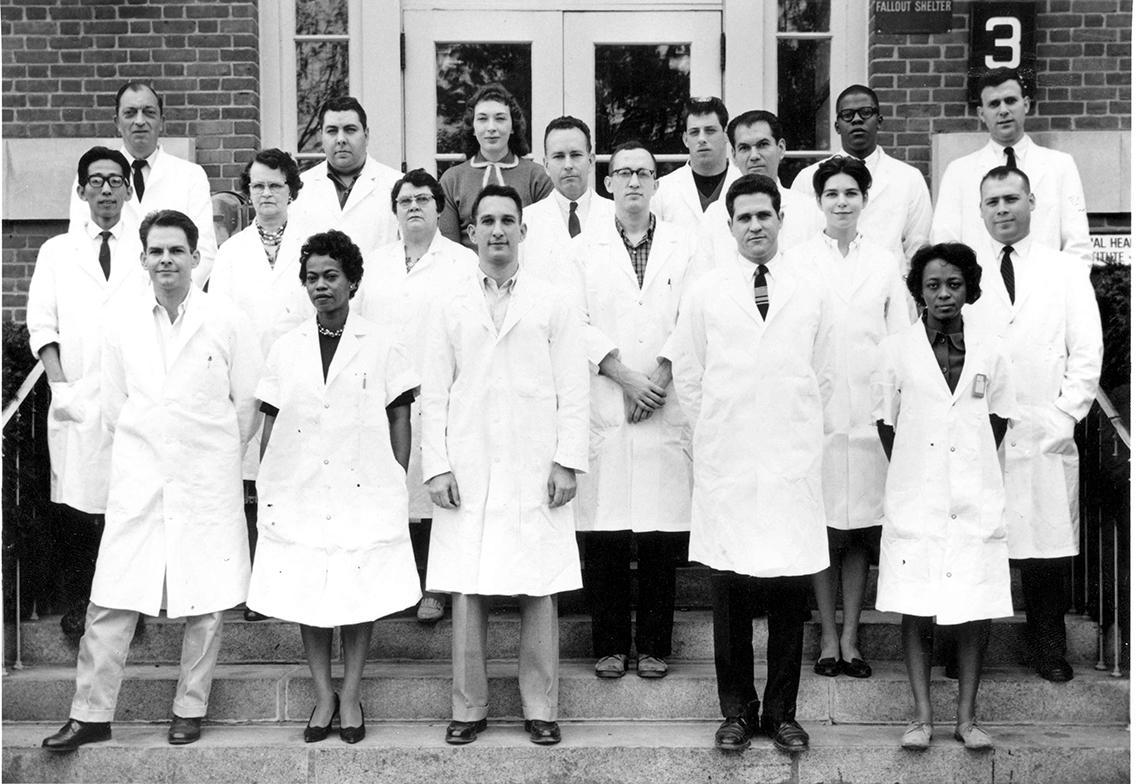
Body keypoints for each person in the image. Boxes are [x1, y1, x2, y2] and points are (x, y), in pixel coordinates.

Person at [41, 210, 262, 752]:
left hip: (206, 474)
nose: (166, 260)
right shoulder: (120, 321)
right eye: (157, 251)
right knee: (112, 594)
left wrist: (207, 453)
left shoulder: (227, 319)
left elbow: (248, 402)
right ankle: (91, 713)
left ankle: (191, 707)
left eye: (176, 251)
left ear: (195, 258)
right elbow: (115, 407)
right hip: (141, 474)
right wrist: (154, 448)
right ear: (142, 259)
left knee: (205, 597)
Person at [665, 174, 834, 754]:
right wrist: (719, 428)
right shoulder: (707, 292)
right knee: (730, 593)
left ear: (781, 219)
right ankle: (737, 711)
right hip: (729, 461)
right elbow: (688, 372)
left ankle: (783, 712)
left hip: (789, 460)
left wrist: (795, 431)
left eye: (765, 215)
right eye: (744, 218)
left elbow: (827, 373)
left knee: (789, 592)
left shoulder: (810, 288)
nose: (756, 226)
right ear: (730, 225)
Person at [421, 184, 588, 747]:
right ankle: (468, 707)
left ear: (524, 229)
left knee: (538, 586)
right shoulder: (449, 303)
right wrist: (437, 466)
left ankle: (540, 706)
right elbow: (435, 393)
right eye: (486, 220)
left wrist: (566, 461)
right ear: (470, 232)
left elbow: (573, 388)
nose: (497, 230)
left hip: (534, 463)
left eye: (507, 220)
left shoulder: (553, 299)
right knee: (468, 589)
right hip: (468, 463)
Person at [246, 230, 421, 744]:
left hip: (363, 486)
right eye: (311, 278)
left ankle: (350, 694)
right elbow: (272, 422)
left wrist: (395, 477)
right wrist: (268, 485)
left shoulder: (383, 343)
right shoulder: (287, 347)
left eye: (330, 276)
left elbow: (400, 417)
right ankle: (323, 695)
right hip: (300, 487)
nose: (321, 286)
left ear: (352, 281)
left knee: (356, 591)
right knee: (309, 593)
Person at [569, 140, 705, 680]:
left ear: (656, 183)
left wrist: (659, 379)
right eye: (622, 172)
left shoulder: (685, 245)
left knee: (657, 533)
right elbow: (574, 321)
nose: (632, 182)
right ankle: (607, 644)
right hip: (608, 397)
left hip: (664, 399)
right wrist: (625, 376)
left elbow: (694, 317)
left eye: (643, 173)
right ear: (608, 182)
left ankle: (652, 646)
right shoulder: (583, 250)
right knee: (604, 530)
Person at [873, 242, 1016, 751]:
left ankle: (967, 719)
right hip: (919, 497)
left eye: (953, 284)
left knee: (974, 608)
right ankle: (920, 716)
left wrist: (964, 467)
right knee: (917, 606)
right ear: (918, 292)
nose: (943, 294)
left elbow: (996, 418)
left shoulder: (991, 348)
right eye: (932, 285)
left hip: (974, 497)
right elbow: (886, 423)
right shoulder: (896, 350)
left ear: (969, 288)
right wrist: (923, 471)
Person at [967, 166, 1102, 682]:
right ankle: (961, 650)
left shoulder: (1064, 270)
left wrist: (1066, 414)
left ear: (1031, 203)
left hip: (1045, 426)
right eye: (992, 202)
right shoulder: (968, 268)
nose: (1002, 209)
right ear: (980, 211)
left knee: (1045, 552)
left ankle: (1047, 647)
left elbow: (1087, 349)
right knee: (979, 542)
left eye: (1011, 199)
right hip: (984, 429)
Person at [796, 156, 911, 682]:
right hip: (814, 415)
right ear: (818, 202)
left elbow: (899, 342)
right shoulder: (798, 261)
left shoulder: (886, 263)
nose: (841, 201)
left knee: (860, 531)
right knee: (822, 530)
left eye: (851, 193)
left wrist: (891, 410)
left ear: (865, 200)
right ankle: (824, 633)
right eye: (832, 194)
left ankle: (852, 636)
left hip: (869, 416)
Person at [27, 146, 146, 637]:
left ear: (128, 189)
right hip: (75, 395)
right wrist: (61, 387)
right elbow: (42, 325)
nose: (105, 190)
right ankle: (82, 603)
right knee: (78, 505)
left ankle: (128, 605)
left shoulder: (143, 249)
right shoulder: (57, 251)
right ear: (80, 191)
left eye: (115, 181)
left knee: (128, 500)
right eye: (95, 181)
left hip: (132, 395)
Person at [353, 169, 477, 624]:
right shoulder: (375, 264)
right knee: (390, 490)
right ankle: (392, 587)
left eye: (423, 199)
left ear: (439, 207)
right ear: (395, 211)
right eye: (405, 201)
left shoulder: (463, 263)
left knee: (438, 490)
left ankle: (436, 588)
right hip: (384, 398)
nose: (414, 207)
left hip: (443, 394)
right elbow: (359, 329)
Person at [209, 148, 309, 621]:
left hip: (305, 379)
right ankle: (262, 591)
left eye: (275, 185)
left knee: (301, 483)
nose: (266, 194)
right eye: (257, 186)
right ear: (248, 195)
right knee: (256, 486)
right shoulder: (231, 253)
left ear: (291, 189)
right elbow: (219, 321)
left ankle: (302, 584)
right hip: (248, 381)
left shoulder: (313, 242)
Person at [931, 68, 1092, 264]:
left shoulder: (1060, 166)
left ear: (1025, 104)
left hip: (1046, 287)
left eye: (1010, 100)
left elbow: (1078, 244)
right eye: (994, 104)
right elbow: (945, 243)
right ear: (982, 114)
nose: (1003, 110)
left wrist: (1060, 291)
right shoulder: (959, 172)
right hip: (983, 289)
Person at [67, 81, 217, 287]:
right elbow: (80, 245)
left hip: (171, 302)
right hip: (111, 303)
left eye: (148, 112)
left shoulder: (190, 176)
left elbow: (204, 250)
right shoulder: (91, 176)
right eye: (130, 113)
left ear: (161, 121)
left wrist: (170, 298)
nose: (139, 121)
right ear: (117, 122)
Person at [791, 85, 932, 273]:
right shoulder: (808, 178)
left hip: (888, 290)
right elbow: (797, 241)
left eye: (866, 112)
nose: (857, 120)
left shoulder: (908, 178)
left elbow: (918, 245)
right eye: (847, 114)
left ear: (879, 121)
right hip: (826, 289)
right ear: (837, 126)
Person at [439, 83, 553, 250]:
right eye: (482, 119)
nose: (491, 127)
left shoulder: (537, 177)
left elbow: (545, 243)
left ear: (513, 126)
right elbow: (448, 249)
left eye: (500, 118)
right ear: (473, 127)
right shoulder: (452, 180)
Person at [699, 110, 823, 261]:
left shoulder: (810, 212)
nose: (754, 156)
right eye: (744, 148)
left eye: (763, 145)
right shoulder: (715, 215)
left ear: (781, 148)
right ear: (734, 155)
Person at [291, 96, 403, 256]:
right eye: (332, 131)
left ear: (366, 134)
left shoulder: (396, 185)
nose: (341, 139)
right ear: (321, 136)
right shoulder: (301, 188)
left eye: (350, 130)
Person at [521, 115, 615, 284]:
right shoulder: (526, 221)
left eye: (576, 154)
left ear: (591, 161)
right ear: (546, 165)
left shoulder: (617, 216)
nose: (568, 165)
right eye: (558, 156)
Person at [651, 96, 738, 230]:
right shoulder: (662, 190)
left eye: (710, 131)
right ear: (685, 139)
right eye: (694, 132)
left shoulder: (744, 181)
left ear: (726, 135)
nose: (702, 139)